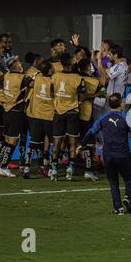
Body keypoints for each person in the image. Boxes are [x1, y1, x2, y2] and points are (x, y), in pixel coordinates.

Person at [78, 93, 131, 215]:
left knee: (113, 181)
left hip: (108, 155)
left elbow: (92, 131)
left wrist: (82, 144)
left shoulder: (102, 118)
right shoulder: (126, 118)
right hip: (122, 154)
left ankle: (118, 208)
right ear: (120, 103)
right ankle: (127, 197)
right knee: (129, 179)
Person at [49, 53, 85, 181]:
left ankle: (53, 169)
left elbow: (51, 91)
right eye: (74, 59)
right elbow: (82, 94)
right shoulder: (78, 78)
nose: (76, 61)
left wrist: (58, 100)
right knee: (72, 142)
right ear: (70, 63)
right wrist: (77, 103)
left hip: (58, 112)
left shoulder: (55, 76)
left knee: (57, 142)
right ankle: (70, 168)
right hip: (73, 112)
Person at [0, 56, 33, 178]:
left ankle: (1, 164)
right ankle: (4, 166)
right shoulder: (22, 78)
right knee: (13, 140)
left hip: (6, 111)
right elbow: (34, 84)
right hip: (15, 112)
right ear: (16, 66)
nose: (21, 64)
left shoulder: (7, 75)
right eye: (19, 62)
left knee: (7, 140)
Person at [24, 60, 55, 179]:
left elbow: (27, 82)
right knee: (53, 143)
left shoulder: (36, 77)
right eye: (52, 68)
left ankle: (27, 167)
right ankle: (52, 168)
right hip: (49, 116)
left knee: (33, 143)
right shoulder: (53, 80)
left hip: (35, 115)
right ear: (49, 70)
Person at [78, 58, 106, 181]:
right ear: (88, 68)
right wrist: (96, 94)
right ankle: (88, 170)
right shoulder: (93, 81)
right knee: (89, 143)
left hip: (72, 113)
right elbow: (103, 91)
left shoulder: (74, 78)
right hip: (86, 115)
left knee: (72, 142)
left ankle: (68, 167)